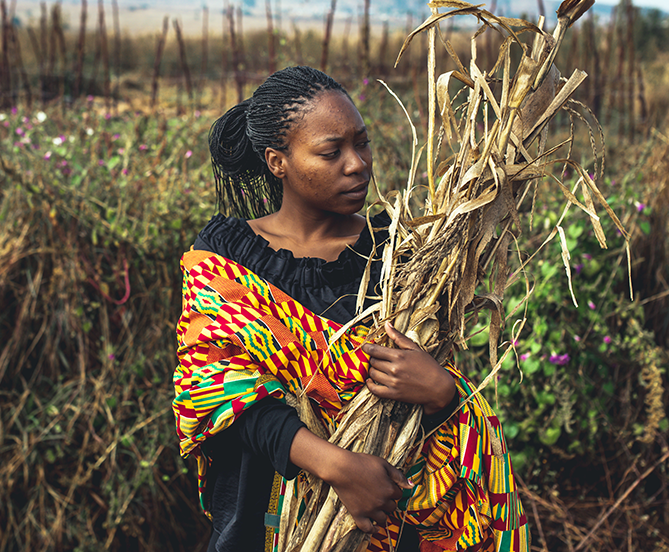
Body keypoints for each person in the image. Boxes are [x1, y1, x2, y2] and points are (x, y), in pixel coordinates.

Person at [173, 66, 528, 552]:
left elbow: (431, 380)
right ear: (278, 162)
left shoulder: (400, 252)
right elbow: (215, 392)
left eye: (361, 144)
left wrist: (443, 391)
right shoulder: (226, 257)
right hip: (262, 520)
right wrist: (338, 467)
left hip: (386, 517)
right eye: (331, 151)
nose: (357, 164)